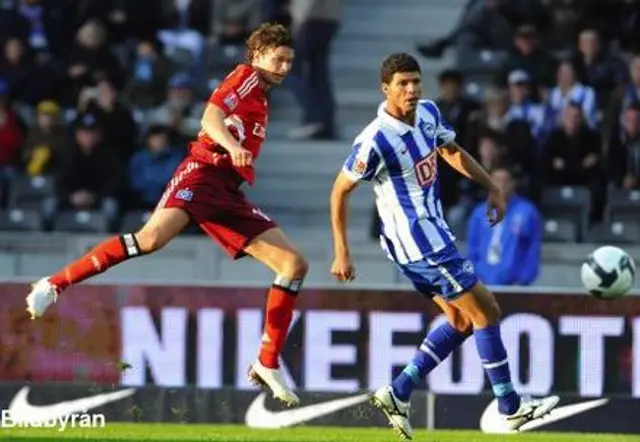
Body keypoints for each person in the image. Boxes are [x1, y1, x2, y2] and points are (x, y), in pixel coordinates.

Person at [25, 23, 305, 407]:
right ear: (257, 56)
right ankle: (54, 284)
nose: (286, 66)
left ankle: (267, 361)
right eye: (279, 58)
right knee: (149, 240)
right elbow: (210, 118)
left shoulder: (262, 93)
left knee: (293, 265)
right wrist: (231, 146)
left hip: (226, 191)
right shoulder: (245, 77)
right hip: (203, 174)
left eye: (290, 60)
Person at [329, 52, 558, 439]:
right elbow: (339, 192)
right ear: (386, 88)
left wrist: (492, 186)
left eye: (416, 81)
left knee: (461, 320)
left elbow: (450, 151)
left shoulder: (430, 113)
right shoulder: (375, 139)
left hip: (431, 237)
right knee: (487, 312)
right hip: (421, 244)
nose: (412, 89)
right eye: (403, 83)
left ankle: (399, 391)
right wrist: (342, 251)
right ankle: (511, 407)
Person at [467, 165, 541, 286]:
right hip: (482, 283)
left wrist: (524, 280)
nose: (498, 185)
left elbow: (532, 250)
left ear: (513, 184)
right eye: (494, 180)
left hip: (515, 285)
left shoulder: (527, 212)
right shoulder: (479, 213)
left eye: (504, 181)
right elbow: (472, 249)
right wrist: (474, 278)